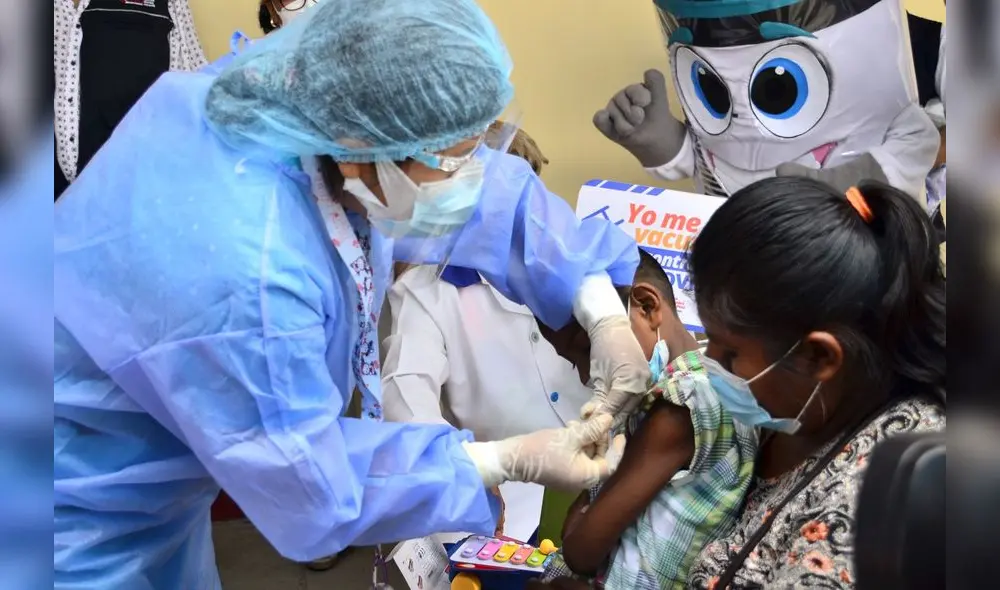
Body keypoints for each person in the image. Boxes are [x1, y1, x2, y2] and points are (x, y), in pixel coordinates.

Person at [53, 2, 651, 588]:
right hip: (64, 508)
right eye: (455, 159)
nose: (474, 175)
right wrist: (499, 460)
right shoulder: (246, 274)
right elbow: (311, 483)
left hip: (158, 494)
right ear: (363, 154)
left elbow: (486, 190)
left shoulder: (316, 102)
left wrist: (599, 305)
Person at [535, 176, 946, 589]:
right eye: (710, 340)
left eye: (730, 353)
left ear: (818, 357)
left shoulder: (882, 504)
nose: (709, 363)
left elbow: (586, 546)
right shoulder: (796, 413)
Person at [382, 128, 589, 536]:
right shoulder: (427, 291)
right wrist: (469, 468)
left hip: (604, 473)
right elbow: (405, 397)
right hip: (506, 499)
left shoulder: (576, 257)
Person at [536, 250, 757, 588]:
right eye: (573, 361)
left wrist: (582, 527)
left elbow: (581, 551)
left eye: (588, 351)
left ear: (647, 306)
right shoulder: (706, 385)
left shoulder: (681, 404)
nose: (585, 375)